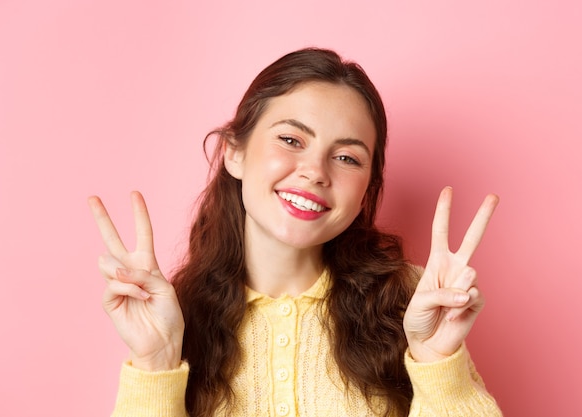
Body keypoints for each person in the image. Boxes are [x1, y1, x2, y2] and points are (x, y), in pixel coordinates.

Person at [88, 47, 502, 417]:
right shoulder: (174, 316)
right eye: (290, 139)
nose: (315, 173)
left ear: (366, 191)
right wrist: (156, 364)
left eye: (346, 157)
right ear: (234, 152)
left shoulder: (412, 303)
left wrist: (436, 362)